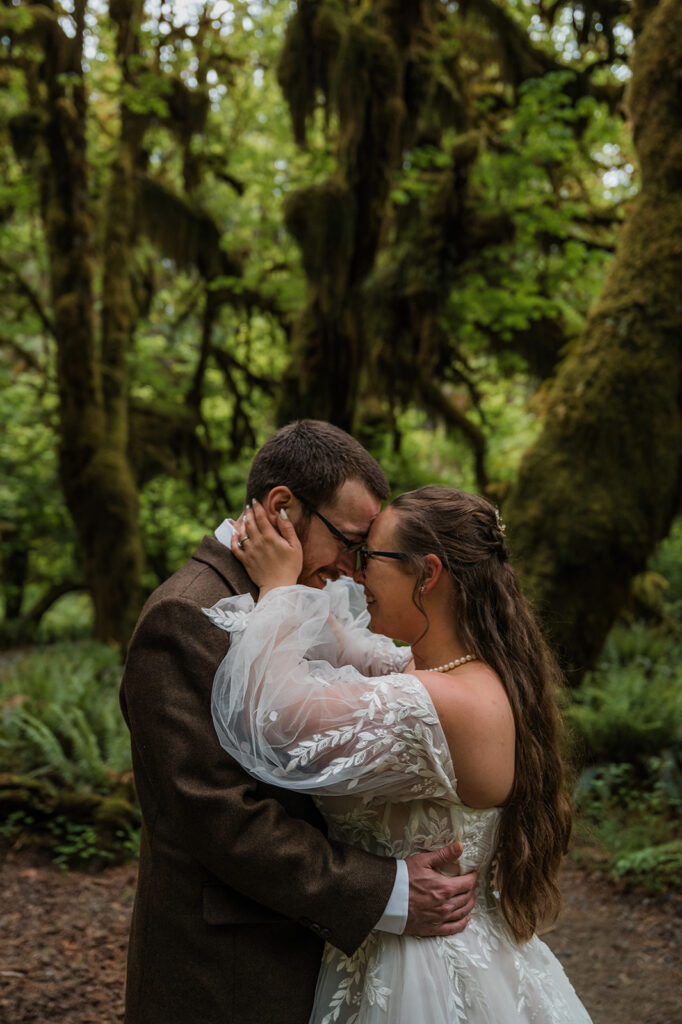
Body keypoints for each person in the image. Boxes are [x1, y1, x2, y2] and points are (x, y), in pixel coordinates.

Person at [120, 422, 477, 1024]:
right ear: (283, 507)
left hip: (309, 953)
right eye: (348, 541)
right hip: (229, 973)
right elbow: (220, 815)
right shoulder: (186, 615)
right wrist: (385, 890)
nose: (354, 569)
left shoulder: (296, 594)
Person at [205, 484, 593, 1023]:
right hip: (407, 951)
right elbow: (347, 645)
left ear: (428, 574)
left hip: (425, 974)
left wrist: (276, 590)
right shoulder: (439, 671)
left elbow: (277, 721)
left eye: (370, 558)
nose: (356, 576)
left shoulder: (444, 702)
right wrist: (299, 566)